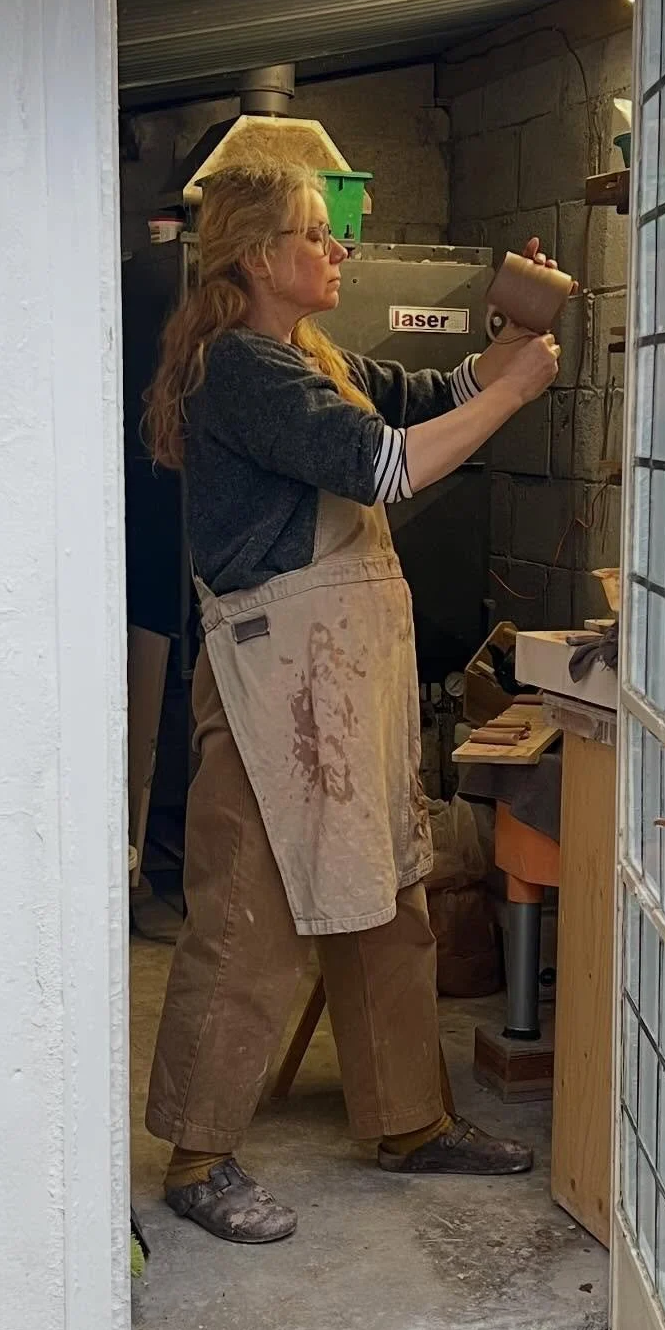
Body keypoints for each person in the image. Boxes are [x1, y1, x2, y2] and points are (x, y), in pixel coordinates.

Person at [142, 159, 563, 1244]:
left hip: (337, 676)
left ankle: (409, 1122)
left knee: (388, 900)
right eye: (316, 234)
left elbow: (425, 400)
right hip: (272, 677)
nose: (338, 250)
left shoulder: (305, 355)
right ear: (256, 258)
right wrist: (517, 392)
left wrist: (501, 354)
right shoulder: (239, 368)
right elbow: (385, 465)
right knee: (248, 917)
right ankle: (200, 1155)